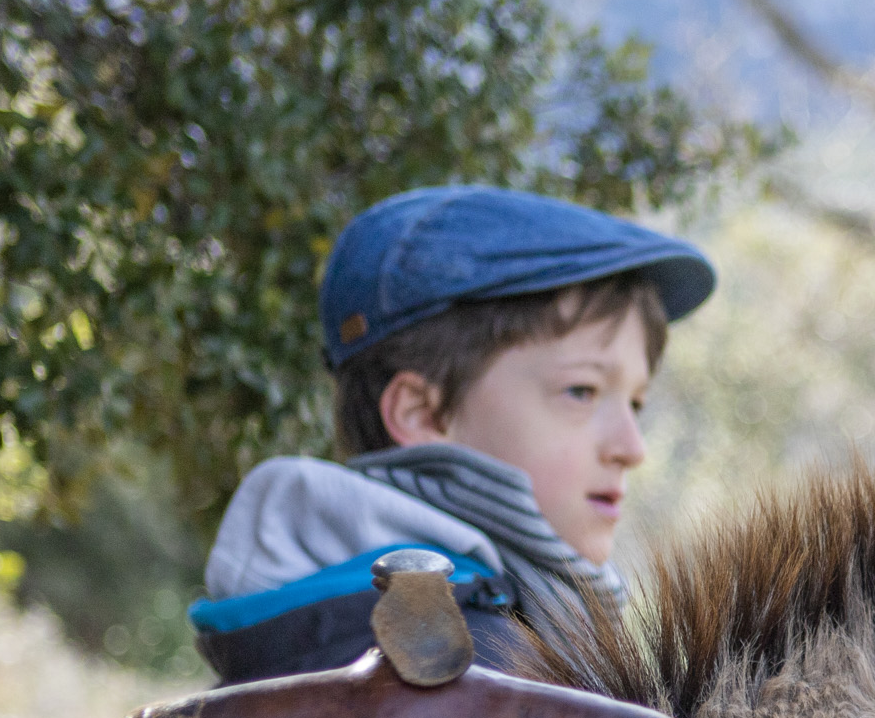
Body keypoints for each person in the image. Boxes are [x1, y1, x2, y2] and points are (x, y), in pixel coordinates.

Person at [192, 184, 717, 683]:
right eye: (581, 391)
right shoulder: (457, 662)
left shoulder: (314, 624)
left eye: (636, 403)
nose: (632, 448)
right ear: (423, 412)